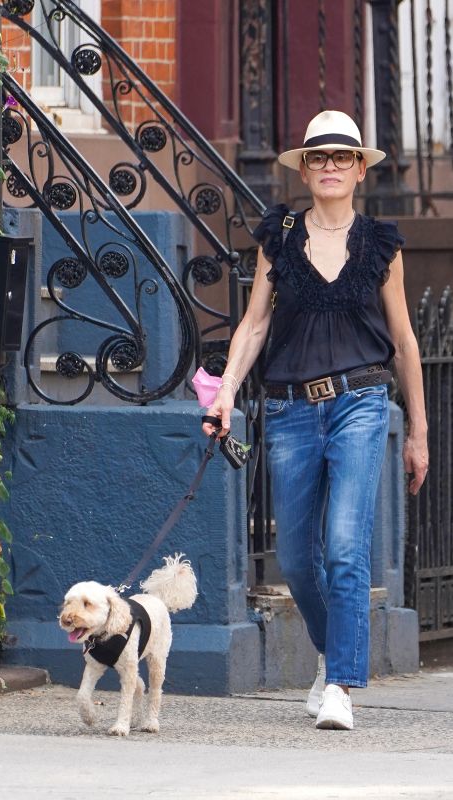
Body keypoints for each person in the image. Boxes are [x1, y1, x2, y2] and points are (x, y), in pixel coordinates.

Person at [202, 110, 428, 730]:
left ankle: (342, 688)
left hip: (359, 401)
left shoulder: (382, 244)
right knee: (298, 559)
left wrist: (418, 433)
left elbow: (406, 343)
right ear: (304, 168)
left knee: (348, 548)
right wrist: (224, 395)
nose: (330, 167)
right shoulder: (277, 237)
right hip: (289, 408)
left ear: (360, 169)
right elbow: (253, 324)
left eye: (342, 158)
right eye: (318, 157)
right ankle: (333, 656)